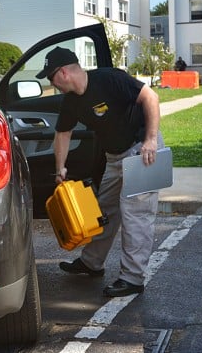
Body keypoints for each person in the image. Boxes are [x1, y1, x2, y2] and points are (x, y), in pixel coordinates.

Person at [36, 47, 164, 297]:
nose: (51, 84)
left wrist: (151, 140)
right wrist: (60, 168)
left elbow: (151, 98)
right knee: (103, 210)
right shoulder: (72, 101)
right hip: (114, 157)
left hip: (141, 150)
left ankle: (133, 278)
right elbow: (62, 134)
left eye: (51, 78)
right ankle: (92, 263)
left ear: (63, 72)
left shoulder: (109, 79)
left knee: (136, 215)